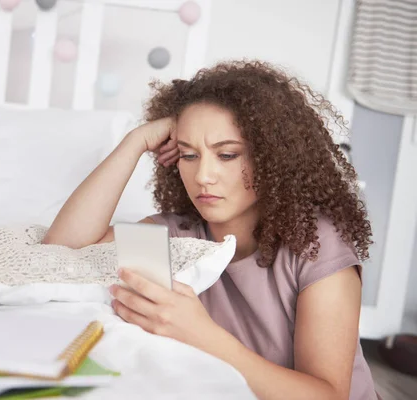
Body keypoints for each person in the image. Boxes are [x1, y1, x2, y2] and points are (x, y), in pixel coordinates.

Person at [43, 60, 377, 400]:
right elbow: (65, 247)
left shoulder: (316, 242)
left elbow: (328, 396)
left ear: (273, 156)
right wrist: (135, 142)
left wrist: (200, 333)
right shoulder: (178, 235)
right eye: (189, 155)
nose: (203, 175)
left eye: (227, 155)